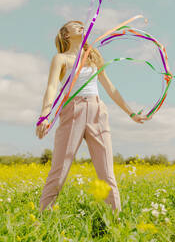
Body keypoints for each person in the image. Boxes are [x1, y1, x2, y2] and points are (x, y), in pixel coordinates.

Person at [36, 20, 150, 213]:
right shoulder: (60, 59)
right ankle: (42, 217)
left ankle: (116, 222)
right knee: (59, 171)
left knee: (107, 172)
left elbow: (110, 87)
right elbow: (52, 87)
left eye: (82, 24)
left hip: (98, 110)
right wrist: (44, 116)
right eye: (75, 25)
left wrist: (130, 112)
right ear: (65, 34)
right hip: (73, 110)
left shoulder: (94, 56)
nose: (81, 25)